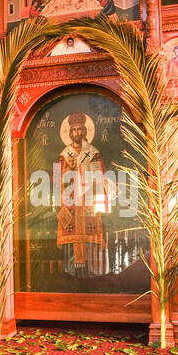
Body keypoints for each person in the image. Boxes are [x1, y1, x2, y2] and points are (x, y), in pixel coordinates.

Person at [57, 112, 108, 277]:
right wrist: (68, 170)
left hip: (88, 201)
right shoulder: (64, 154)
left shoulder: (93, 152)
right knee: (72, 234)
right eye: (74, 130)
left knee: (89, 233)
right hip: (71, 201)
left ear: (85, 131)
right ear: (70, 133)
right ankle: (70, 271)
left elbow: (101, 175)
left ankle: (91, 270)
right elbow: (57, 178)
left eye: (80, 129)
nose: (77, 133)